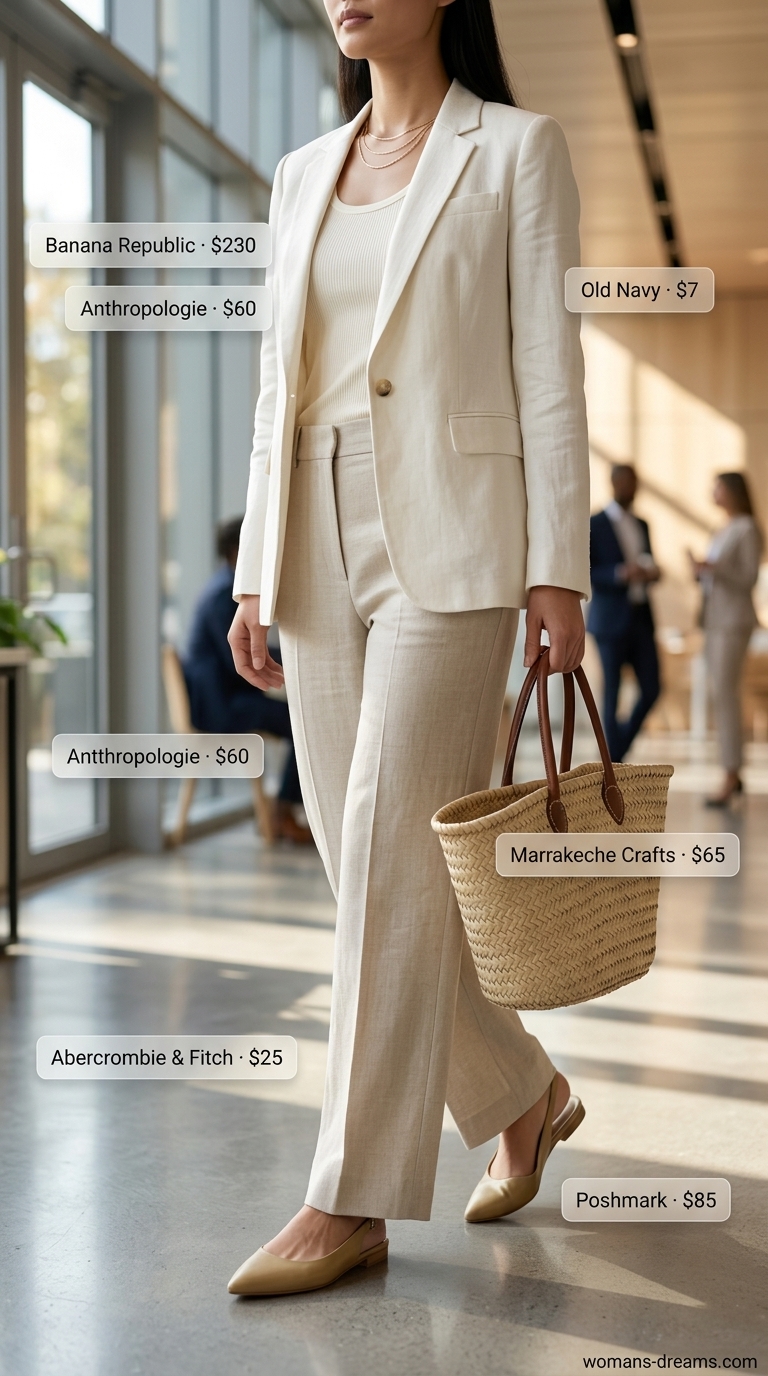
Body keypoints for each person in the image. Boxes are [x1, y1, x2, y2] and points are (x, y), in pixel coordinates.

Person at [226, 0, 591, 1297]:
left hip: (457, 539)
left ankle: (353, 1197)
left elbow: (549, 365)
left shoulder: (514, 151)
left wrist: (562, 569)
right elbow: (280, 383)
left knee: (387, 840)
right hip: (315, 531)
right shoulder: (299, 174)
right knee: (356, 852)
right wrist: (254, 564)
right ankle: (522, 1089)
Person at [183, 517, 312, 843]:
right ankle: (282, 813)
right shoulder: (223, 595)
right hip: (220, 709)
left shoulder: (224, 588)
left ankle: (282, 810)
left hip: (226, 699)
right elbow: (240, 658)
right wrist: (297, 659)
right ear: (237, 551)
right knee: (303, 724)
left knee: (300, 721)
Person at [689, 472, 763, 807]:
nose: (713, 492)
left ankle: (731, 773)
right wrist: (702, 572)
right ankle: (732, 772)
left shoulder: (747, 527)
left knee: (726, 695)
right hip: (716, 620)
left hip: (734, 622)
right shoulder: (721, 528)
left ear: (733, 491)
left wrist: (714, 568)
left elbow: (748, 577)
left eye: (717, 486)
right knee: (722, 695)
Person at [588, 464, 661, 762]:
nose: (632, 488)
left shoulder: (642, 524)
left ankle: (615, 753)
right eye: (627, 482)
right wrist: (621, 573)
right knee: (612, 692)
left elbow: (648, 560)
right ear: (614, 483)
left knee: (652, 689)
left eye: (636, 482)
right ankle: (611, 761)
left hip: (641, 617)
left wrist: (652, 572)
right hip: (609, 619)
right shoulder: (595, 523)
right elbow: (588, 570)